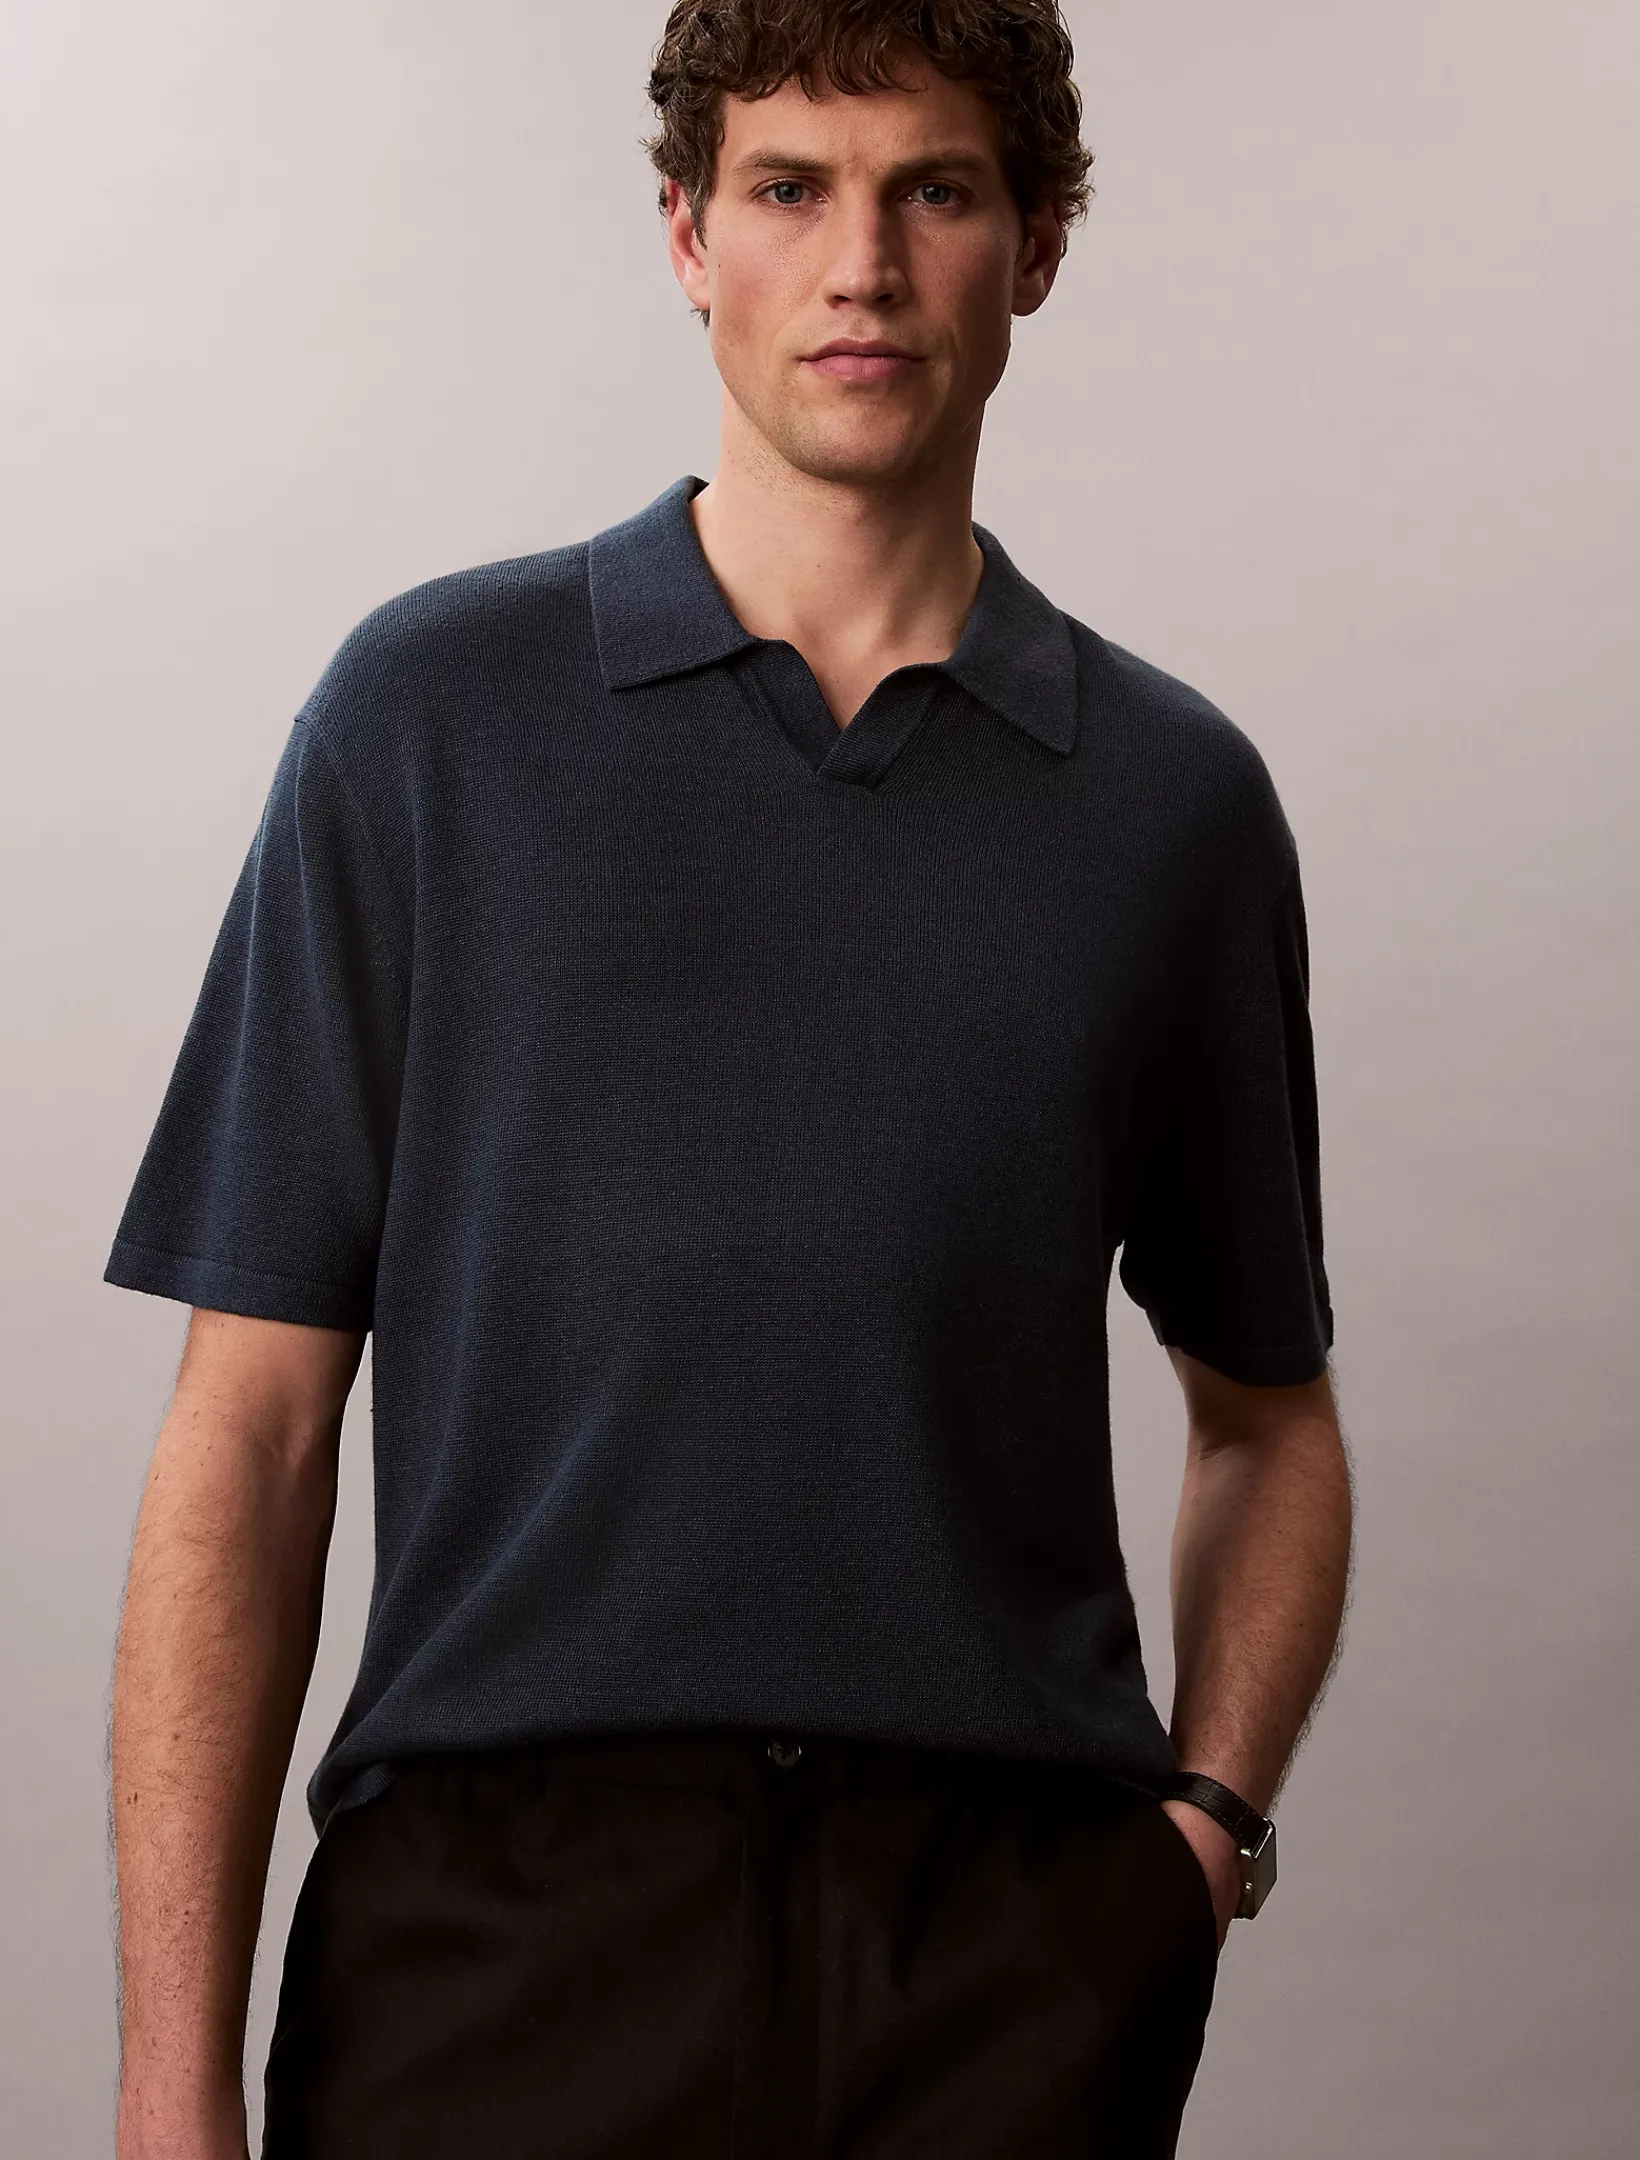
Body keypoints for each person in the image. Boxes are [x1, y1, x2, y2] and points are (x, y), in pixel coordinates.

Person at [105, 3, 1353, 2155]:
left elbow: (1270, 1424)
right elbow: (253, 1426)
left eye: (933, 190)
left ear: (1036, 246)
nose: (860, 265)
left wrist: (1200, 1841)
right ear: (688, 235)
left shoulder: (1173, 806)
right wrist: (167, 2089)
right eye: (790, 188)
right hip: (493, 1939)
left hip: (1003, 1958)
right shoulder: (427, 722)